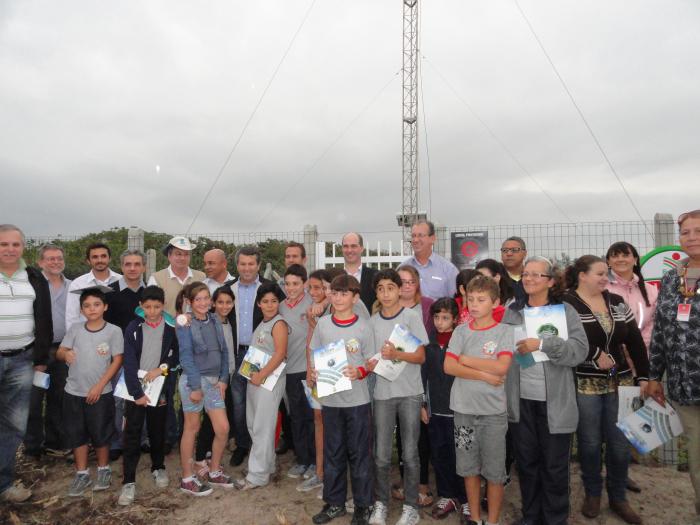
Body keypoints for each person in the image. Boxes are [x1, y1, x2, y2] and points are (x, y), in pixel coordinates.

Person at [563, 255, 649, 524]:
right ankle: (592, 493)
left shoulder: (616, 301)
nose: (605, 278)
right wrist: (593, 353)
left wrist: (644, 376)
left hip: (620, 380)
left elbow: (634, 339)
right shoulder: (566, 304)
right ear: (582, 276)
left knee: (620, 443)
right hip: (585, 383)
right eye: (600, 273)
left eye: (606, 273)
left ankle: (618, 497)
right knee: (588, 443)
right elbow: (558, 340)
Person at [503, 256, 588, 525]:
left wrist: (542, 344)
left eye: (536, 275)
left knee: (554, 467)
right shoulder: (512, 312)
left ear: (550, 281)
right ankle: (531, 517)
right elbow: (503, 353)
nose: (528, 279)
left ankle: (554, 519)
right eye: (525, 274)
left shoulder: (565, 312)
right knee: (527, 465)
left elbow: (579, 351)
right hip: (521, 403)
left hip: (555, 405)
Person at [444, 275, 514, 525]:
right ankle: (474, 518)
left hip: (493, 414)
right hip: (463, 411)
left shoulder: (505, 331)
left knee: (495, 473)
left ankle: (492, 521)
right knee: (468, 469)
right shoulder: (461, 331)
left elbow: (502, 366)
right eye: (469, 299)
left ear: (495, 303)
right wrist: (483, 373)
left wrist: (466, 359)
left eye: (480, 300)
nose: (473, 304)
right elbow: (449, 366)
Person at [309, 274, 375, 525]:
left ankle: (363, 505)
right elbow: (316, 352)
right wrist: (315, 372)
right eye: (334, 293)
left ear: (355, 297)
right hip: (331, 401)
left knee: (359, 454)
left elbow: (372, 360)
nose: (338, 298)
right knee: (333, 452)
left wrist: (359, 372)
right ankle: (335, 503)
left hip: (357, 402)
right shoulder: (324, 324)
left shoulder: (364, 326)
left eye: (344, 294)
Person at [648, 209, 700, 518]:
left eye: (698, 230)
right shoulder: (671, 278)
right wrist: (655, 375)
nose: (692, 237)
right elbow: (661, 330)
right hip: (687, 388)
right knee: (698, 463)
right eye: (687, 232)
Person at [367, 268, 428, 525]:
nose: (386, 293)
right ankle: (381, 503)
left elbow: (421, 357)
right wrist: (369, 364)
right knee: (380, 454)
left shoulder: (411, 316)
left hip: (410, 394)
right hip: (383, 393)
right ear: (377, 293)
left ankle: (411, 506)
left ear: (399, 289)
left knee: (410, 453)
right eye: (380, 289)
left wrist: (398, 355)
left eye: (390, 287)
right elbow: (370, 359)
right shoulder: (372, 322)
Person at [0, 225, 52, 503]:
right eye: (3, 244)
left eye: (15, 244)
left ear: (23, 247)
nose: (9, 249)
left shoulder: (33, 277)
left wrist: (41, 358)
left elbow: (44, 319)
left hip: (22, 358)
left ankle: (4, 484)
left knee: (14, 424)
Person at [57, 287, 124, 497]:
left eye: (96, 304)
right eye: (86, 305)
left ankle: (103, 470)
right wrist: (64, 354)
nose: (92, 309)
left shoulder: (113, 331)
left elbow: (117, 360)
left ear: (105, 307)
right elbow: (60, 350)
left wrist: (100, 386)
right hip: (74, 392)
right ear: (81, 309)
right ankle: (82, 473)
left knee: (101, 432)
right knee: (77, 434)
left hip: (100, 393)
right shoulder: (75, 329)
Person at [118, 286, 179, 506]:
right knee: (132, 432)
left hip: (159, 388)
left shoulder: (170, 328)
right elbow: (129, 361)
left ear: (163, 306)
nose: (152, 311)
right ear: (141, 307)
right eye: (148, 307)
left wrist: (160, 369)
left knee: (157, 429)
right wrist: (136, 392)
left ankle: (158, 467)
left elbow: (174, 357)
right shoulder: (134, 328)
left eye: (157, 307)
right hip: (135, 390)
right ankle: (129, 480)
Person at [176, 282, 233, 495]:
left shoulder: (215, 321)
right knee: (192, 428)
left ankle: (215, 471)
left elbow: (224, 352)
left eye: (206, 298)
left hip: (214, 383)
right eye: (197, 299)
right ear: (190, 302)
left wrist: (223, 379)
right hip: (194, 382)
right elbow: (186, 356)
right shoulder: (185, 324)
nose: (203, 303)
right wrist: (195, 385)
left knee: (223, 428)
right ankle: (187, 477)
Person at [235, 282, 288, 490]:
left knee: (262, 427)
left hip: (269, 381)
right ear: (258, 304)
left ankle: (257, 476)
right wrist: (253, 375)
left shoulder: (279, 324)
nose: (270, 305)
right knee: (254, 425)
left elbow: (280, 353)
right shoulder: (264, 322)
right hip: (256, 381)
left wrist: (262, 374)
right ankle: (267, 465)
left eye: (274, 301)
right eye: (265, 301)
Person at [421, 298, 469, 522]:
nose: (440, 323)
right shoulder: (428, 343)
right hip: (436, 410)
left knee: (464, 455)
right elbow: (423, 376)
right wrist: (423, 404)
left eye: (445, 318)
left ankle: (467, 498)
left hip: (461, 411)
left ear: (455, 319)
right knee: (440, 455)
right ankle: (447, 495)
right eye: (437, 317)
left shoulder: (462, 342)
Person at [227, 245, 273, 466]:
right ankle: (242, 445)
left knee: (260, 404)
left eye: (251, 264)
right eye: (242, 264)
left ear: (258, 265)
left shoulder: (269, 288)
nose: (247, 268)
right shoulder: (228, 290)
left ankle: (260, 447)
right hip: (237, 353)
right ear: (237, 265)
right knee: (238, 404)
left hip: (260, 356)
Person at [24, 244, 70, 460]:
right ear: (40, 262)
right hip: (38, 352)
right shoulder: (31, 285)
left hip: (62, 350)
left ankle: (55, 442)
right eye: (50, 259)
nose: (55, 262)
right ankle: (33, 446)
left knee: (58, 398)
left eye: (59, 258)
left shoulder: (72, 286)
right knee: (34, 399)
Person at [395, 264, 435, 507]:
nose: (406, 286)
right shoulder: (386, 305)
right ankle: (405, 481)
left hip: (421, 373)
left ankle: (422, 484)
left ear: (417, 284)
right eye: (401, 281)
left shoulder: (428, 306)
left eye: (410, 281)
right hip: (395, 376)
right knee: (401, 430)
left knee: (421, 430)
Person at [104, 249, 147, 461]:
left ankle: (142, 439)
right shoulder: (109, 292)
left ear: (144, 267)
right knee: (118, 400)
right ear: (121, 266)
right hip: (118, 355)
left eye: (137, 264)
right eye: (128, 264)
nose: (132, 268)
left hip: (144, 355)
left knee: (143, 396)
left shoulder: (149, 292)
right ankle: (116, 441)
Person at [280, 265, 319, 490]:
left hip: (309, 370)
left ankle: (315, 461)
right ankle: (302, 459)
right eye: (288, 284)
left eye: (296, 284)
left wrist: (311, 368)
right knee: (296, 417)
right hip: (289, 370)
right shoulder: (281, 307)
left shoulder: (312, 305)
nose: (291, 288)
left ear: (304, 284)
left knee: (312, 417)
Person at [194, 286, 237, 474]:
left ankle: (210, 454)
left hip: (227, 377)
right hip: (213, 379)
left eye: (228, 302)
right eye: (220, 302)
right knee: (210, 421)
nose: (224, 306)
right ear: (213, 303)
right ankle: (200, 457)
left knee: (218, 420)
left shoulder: (229, 323)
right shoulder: (209, 323)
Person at [65, 243, 121, 329]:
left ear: (109, 258)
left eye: (103, 256)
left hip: (118, 335)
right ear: (88, 260)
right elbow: (72, 316)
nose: (100, 260)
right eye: (95, 257)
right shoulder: (77, 284)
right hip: (87, 337)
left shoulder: (121, 281)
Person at [148, 236, 205, 316]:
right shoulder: (156, 279)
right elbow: (151, 309)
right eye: (178, 254)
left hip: (197, 327)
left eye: (186, 254)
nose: (182, 258)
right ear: (169, 256)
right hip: (167, 327)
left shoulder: (201, 277)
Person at [404, 220, 459, 300]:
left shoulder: (449, 270)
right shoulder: (403, 268)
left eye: (420, 235)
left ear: (432, 239)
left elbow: (455, 302)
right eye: (413, 236)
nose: (415, 240)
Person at [342, 232, 378, 312]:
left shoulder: (375, 276)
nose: (349, 250)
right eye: (346, 246)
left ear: (361, 248)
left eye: (353, 246)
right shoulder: (335, 277)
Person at [500, 237, 527, 304]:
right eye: (505, 250)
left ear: (525, 253)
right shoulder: (496, 279)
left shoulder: (533, 278)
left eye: (515, 250)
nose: (509, 254)